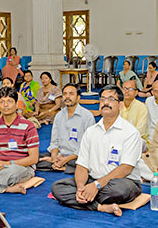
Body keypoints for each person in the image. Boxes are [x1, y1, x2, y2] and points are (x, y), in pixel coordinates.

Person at [51, 85, 148, 217]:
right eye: (102, 99)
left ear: (120, 105)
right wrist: (80, 187)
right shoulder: (91, 132)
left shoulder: (130, 133)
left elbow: (125, 168)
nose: (106, 103)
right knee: (58, 187)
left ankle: (85, 198)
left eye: (111, 99)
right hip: (93, 180)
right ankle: (101, 207)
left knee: (119, 191)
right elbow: (82, 165)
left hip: (122, 181)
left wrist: (96, 186)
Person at [37, 83, 95, 174]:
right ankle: (58, 164)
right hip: (61, 154)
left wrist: (65, 159)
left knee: (87, 164)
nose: (67, 97)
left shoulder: (87, 116)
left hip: (76, 157)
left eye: (71, 94)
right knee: (34, 159)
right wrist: (54, 156)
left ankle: (60, 165)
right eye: (64, 94)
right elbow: (54, 141)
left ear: (78, 97)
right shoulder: (59, 116)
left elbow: (87, 147)